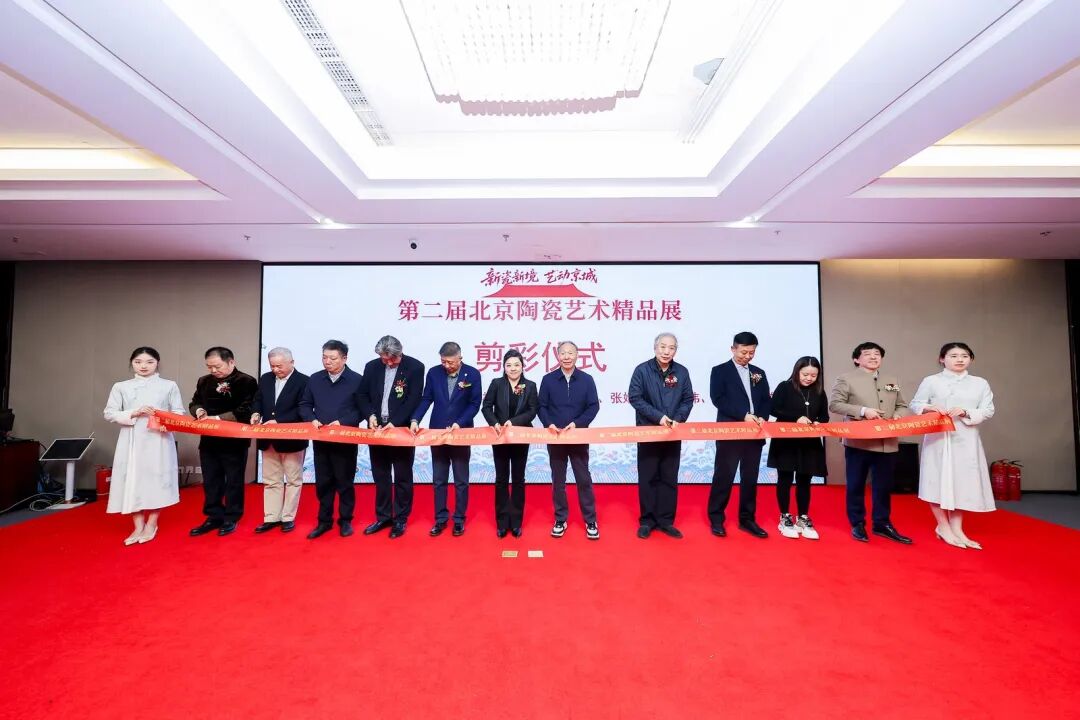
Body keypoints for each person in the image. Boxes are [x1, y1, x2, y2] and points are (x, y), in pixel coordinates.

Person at [910, 342, 995, 549]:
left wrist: (966, 412)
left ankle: (957, 529)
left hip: (966, 438)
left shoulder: (980, 383)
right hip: (938, 437)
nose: (959, 359)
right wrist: (930, 408)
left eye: (964, 356)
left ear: (971, 359)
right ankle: (943, 526)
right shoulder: (931, 381)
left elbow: (988, 410)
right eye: (953, 355)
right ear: (942, 359)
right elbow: (915, 404)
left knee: (962, 482)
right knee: (936, 480)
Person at [829, 341, 913, 544]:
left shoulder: (891, 380)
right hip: (859, 442)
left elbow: (902, 405)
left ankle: (882, 523)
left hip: (887, 441)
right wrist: (863, 411)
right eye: (867, 354)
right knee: (856, 484)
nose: (874, 357)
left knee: (883, 485)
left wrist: (898, 415)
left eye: (877, 354)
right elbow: (835, 404)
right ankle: (857, 523)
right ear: (856, 359)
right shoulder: (846, 378)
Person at [103, 347, 185, 545]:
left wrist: (165, 420)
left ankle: (152, 523)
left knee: (157, 479)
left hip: (159, 439)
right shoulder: (121, 386)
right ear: (132, 363)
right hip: (131, 439)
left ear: (157, 363)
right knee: (132, 479)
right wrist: (134, 412)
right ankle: (138, 525)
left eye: (149, 362)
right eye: (138, 362)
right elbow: (109, 413)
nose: (143, 366)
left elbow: (179, 413)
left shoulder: (169, 385)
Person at [410, 342, 482, 537]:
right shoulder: (434, 373)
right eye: (443, 361)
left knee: (461, 480)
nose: (447, 365)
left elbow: (475, 404)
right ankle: (440, 519)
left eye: (450, 362)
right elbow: (426, 399)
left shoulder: (472, 374)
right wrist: (415, 419)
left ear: (460, 358)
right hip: (438, 433)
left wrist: (460, 422)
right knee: (439, 479)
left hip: (461, 433)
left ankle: (459, 519)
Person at [357, 336, 425, 539]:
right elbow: (362, 395)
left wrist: (395, 422)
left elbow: (413, 399)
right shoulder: (372, 367)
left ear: (399, 353)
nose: (387, 362)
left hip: (400, 430)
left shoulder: (415, 367)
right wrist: (370, 415)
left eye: (391, 359)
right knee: (381, 475)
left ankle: (400, 518)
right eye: (384, 359)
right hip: (377, 429)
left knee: (403, 476)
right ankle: (383, 516)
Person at [629, 333, 694, 539]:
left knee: (669, 477)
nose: (666, 351)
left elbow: (688, 399)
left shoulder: (682, 372)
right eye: (663, 347)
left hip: (673, 432)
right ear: (655, 347)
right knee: (648, 477)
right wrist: (659, 418)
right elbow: (635, 398)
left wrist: (678, 419)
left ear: (676, 350)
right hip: (648, 432)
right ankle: (647, 521)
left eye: (671, 348)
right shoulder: (642, 370)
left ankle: (666, 521)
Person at [708, 331, 772, 538]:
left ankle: (747, 519)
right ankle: (716, 518)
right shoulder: (720, 371)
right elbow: (718, 399)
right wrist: (743, 416)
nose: (747, 356)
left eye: (751, 352)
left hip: (754, 433)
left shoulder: (759, 372)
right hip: (730, 431)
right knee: (724, 476)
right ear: (733, 349)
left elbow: (766, 400)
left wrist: (762, 417)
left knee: (750, 478)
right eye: (743, 352)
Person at [188, 347, 257, 538]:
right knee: (211, 480)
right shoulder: (204, 381)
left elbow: (246, 409)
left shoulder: (246, 381)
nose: (213, 371)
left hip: (234, 441)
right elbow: (194, 402)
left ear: (231, 362)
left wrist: (218, 419)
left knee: (234, 480)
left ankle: (232, 516)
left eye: (217, 366)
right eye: (209, 367)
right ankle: (213, 516)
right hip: (209, 440)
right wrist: (199, 411)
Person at [299, 339, 363, 539]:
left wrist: (342, 422)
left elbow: (362, 409)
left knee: (345, 482)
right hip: (321, 439)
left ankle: (345, 520)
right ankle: (324, 521)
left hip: (345, 439)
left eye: (333, 358)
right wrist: (311, 419)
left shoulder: (357, 380)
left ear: (344, 358)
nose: (327, 362)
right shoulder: (315, 379)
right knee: (323, 482)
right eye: (324, 357)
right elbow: (304, 404)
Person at [537, 341, 601, 540]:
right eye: (563, 353)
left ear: (577, 355)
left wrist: (577, 424)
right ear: (558, 356)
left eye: (570, 353)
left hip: (578, 436)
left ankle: (590, 520)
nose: (566, 357)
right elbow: (541, 407)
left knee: (583, 479)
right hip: (555, 437)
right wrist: (549, 424)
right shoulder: (548, 380)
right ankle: (560, 519)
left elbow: (593, 406)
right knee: (558, 480)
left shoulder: (586, 379)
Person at [767, 356, 829, 540]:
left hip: (809, 442)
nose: (809, 378)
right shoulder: (784, 387)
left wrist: (818, 422)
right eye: (805, 374)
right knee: (785, 479)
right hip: (786, 441)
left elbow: (824, 416)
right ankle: (785, 517)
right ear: (797, 372)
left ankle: (802, 517)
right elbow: (773, 409)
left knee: (804, 480)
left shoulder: (819, 391)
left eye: (813, 375)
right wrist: (796, 418)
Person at [250, 347, 309, 534]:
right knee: (271, 480)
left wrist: (280, 421)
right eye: (272, 366)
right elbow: (258, 400)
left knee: (293, 480)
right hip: (268, 438)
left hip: (292, 440)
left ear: (292, 362)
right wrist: (256, 413)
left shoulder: (304, 381)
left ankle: (288, 517)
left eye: (279, 366)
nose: (275, 370)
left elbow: (303, 409)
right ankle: (271, 517)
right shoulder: (266, 378)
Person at [481, 349, 539, 537]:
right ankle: (502, 522)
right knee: (501, 479)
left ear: (522, 366)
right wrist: (495, 423)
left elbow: (532, 411)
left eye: (516, 365)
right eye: (509, 365)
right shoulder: (497, 384)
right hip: (499, 436)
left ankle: (516, 522)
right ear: (504, 367)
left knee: (518, 479)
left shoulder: (530, 386)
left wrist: (513, 422)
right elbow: (486, 407)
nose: (513, 368)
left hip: (521, 436)